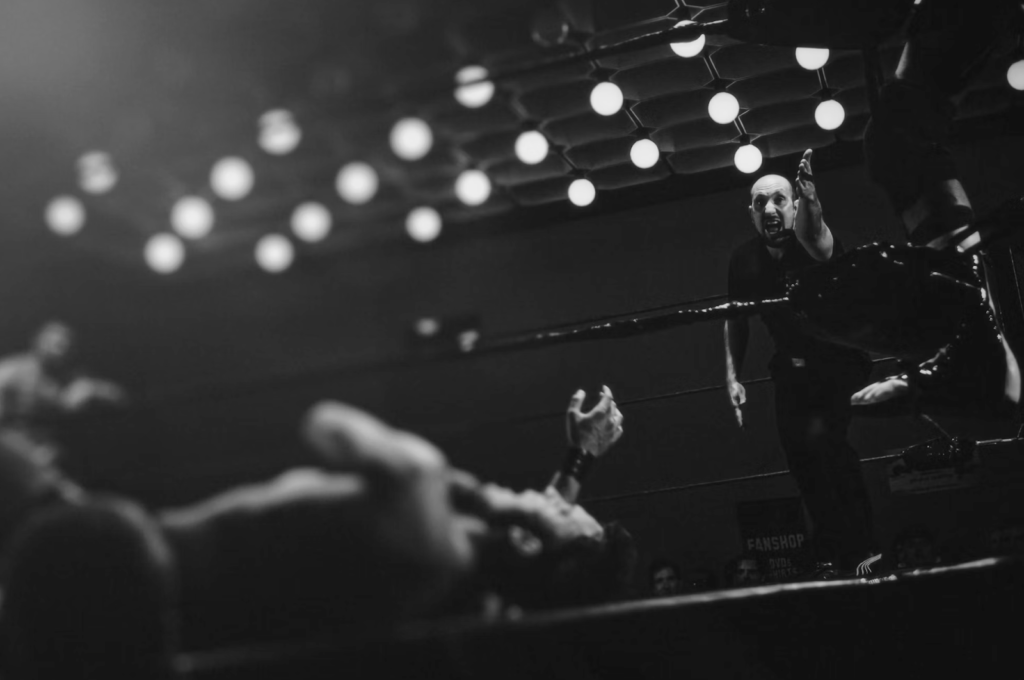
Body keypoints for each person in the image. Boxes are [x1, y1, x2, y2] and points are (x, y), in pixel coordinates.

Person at [156, 386, 630, 648]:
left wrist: (466, 489)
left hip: (157, 566)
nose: (555, 499)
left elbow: (327, 422)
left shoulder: (419, 491)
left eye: (564, 510)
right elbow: (540, 560)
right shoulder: (475, 606)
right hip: (190, 627)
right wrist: (579, 458)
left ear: (526, 540)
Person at [724, 150, 877, 577]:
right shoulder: (743, 260)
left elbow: (821, 242)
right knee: (801, 458)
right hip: (791, 370)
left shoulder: (808, 240)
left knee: (828, 446)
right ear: (751, 214)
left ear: (792, 207)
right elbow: (735, 319)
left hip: (838, 362)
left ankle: (864, 547)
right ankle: (833, 548)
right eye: (760, 203)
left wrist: (811, 200)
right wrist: (732, 377)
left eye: (779, 200)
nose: (769, 209)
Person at [0, 321, 126, 470]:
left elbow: (121, 398)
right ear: (38, 341)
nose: (60, 350)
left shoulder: (69, 376)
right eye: (56, 344)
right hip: (15, 453)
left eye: (66, 345)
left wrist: (94, 389)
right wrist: (24, 454)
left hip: (55, 451)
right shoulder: (10, 372)